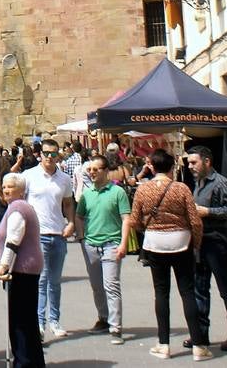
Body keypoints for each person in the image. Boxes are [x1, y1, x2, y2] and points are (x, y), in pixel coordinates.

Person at [130, 148, 209, 360]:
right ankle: (199, 346)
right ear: (172, 167)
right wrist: (196, 244)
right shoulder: (181, 188)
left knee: (161, 293)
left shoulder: (143, 190)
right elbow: (195, 220)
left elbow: (135, 220)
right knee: (187, 292)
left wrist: (148, 230)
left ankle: (163, 344)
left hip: (155, 243)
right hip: (181, 242)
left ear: (152, 168)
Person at [187, 146, 227, 353]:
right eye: (189, 163)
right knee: (200, 290)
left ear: (207, 161)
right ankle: (201, 334)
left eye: (194, 162)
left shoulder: (219, 183)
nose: (190, 166)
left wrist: (208, 211)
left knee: (225, 290)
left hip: (217, 243)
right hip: (200, 243)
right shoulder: (198, 183)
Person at [0, 172, 45, 368]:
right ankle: (33, 361)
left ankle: (24, 362)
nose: (6, 190)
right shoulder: (16, 207)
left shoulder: (18, 208)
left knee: (20, 321)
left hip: (22, 270)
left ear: (21, 190)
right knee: (26, 319)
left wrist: (3, 265)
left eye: (11, 186)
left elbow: (13, 241)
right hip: (25, 269)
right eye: (4, 186)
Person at [22, 138, 74, 339]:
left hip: (58, 234)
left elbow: (68, 203)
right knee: (41, 280)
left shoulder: (64, 179)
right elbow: (20, 202)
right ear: (39, 154)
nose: (49, 157)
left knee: (55, 281)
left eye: (53, 154)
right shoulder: (29, 176)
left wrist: (70, 223)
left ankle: (55, 320)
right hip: (37, 235)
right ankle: (39, 323)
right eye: (46, 153)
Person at [75, 154, 130, 345]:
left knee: (111, 285)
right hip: (91, 245)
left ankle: (116, 327)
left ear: (106, 171)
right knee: (97, 286)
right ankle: (103, 318)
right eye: (89, 170)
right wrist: (81, 237)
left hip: (111, 244)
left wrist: (124, 243)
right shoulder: (87, 194)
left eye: (95, 169)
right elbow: (79, 216)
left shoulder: (117, 192)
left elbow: (126, 219)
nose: (91, 173)